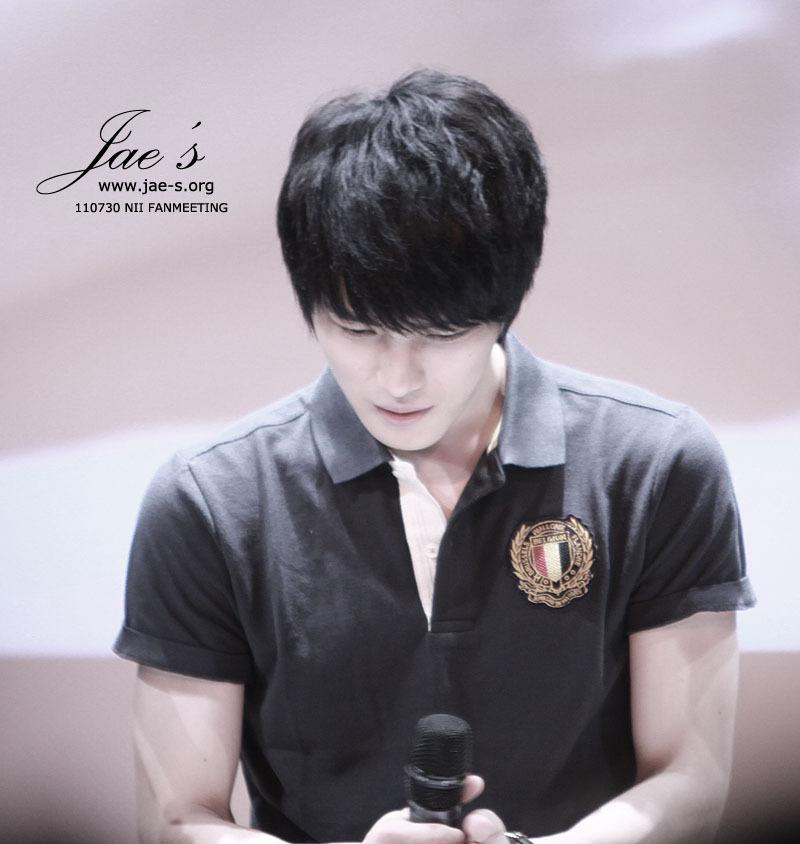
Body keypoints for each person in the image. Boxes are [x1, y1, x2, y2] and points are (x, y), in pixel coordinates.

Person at [114, 69, 755, 844]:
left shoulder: (655, 464)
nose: (398, 379)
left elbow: (690, 776)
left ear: (505, 305)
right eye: (358, 330)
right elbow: (178, 818)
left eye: (441, 334)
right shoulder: (210, 500)